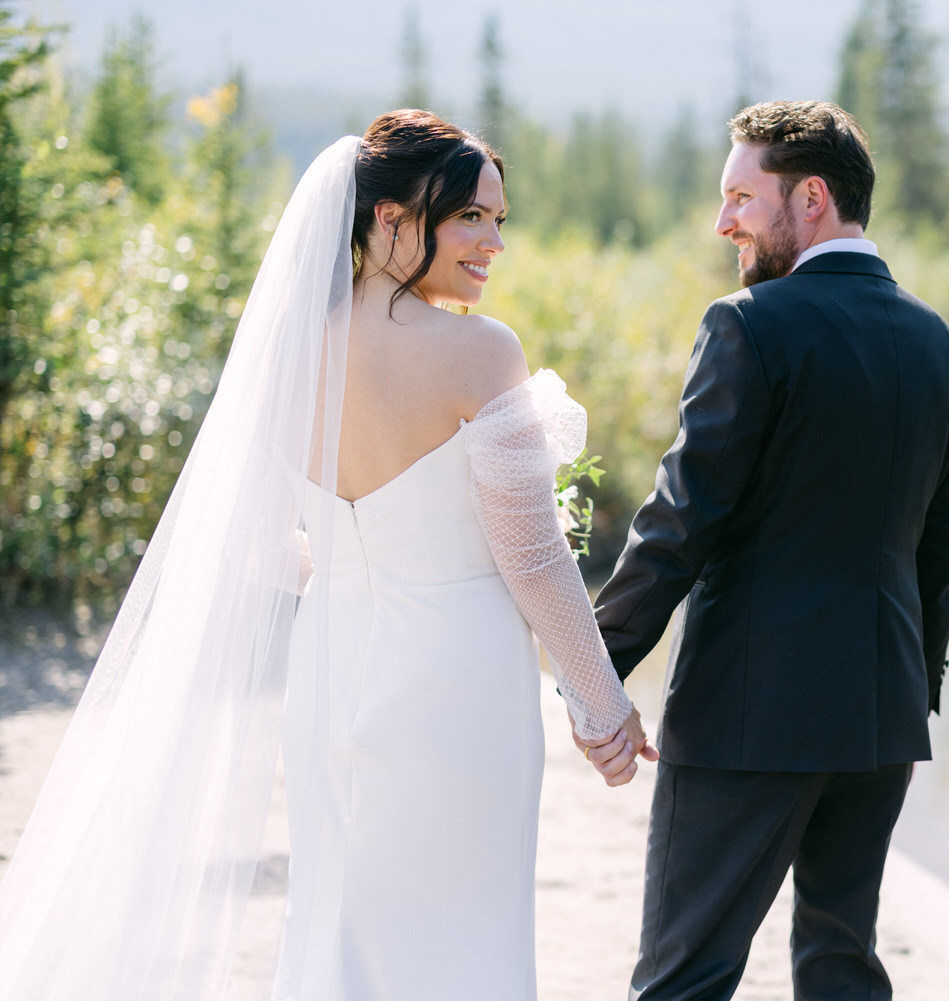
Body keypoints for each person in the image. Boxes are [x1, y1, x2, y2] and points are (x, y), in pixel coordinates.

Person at [0, 110, 654, 1001]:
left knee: (341, 908)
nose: (493, 241)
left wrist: (359, 568)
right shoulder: (479, 350)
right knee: (459, 925)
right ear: (387, 218)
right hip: (456, 686)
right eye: (469, 216)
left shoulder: (290, 352)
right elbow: (535, 559)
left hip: (330, 666)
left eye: (499, 219)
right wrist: (602, 704)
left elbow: (266, 543)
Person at [584, 101, 949, 1001]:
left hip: (748, 714)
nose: (724, 222)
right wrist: (911, 687)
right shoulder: (944, 349)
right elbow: (941, 550)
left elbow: (682, 519)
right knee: (842, 969)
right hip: (881, 714)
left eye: (739, 197)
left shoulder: (750, 324)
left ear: (810, 198)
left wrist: (593, 668)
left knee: (685, 975)